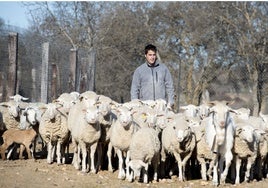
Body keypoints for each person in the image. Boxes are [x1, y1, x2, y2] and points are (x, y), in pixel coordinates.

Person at [130, 44, 175, 109]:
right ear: (145, 55)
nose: (152, 57)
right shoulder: (139, 70)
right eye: (150, 55)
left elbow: (170, 86)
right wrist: (134, 104)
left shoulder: (164, 69)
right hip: (145, 106)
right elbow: (134, 89)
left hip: (161, 106)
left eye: (154, 55)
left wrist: (171, 102)